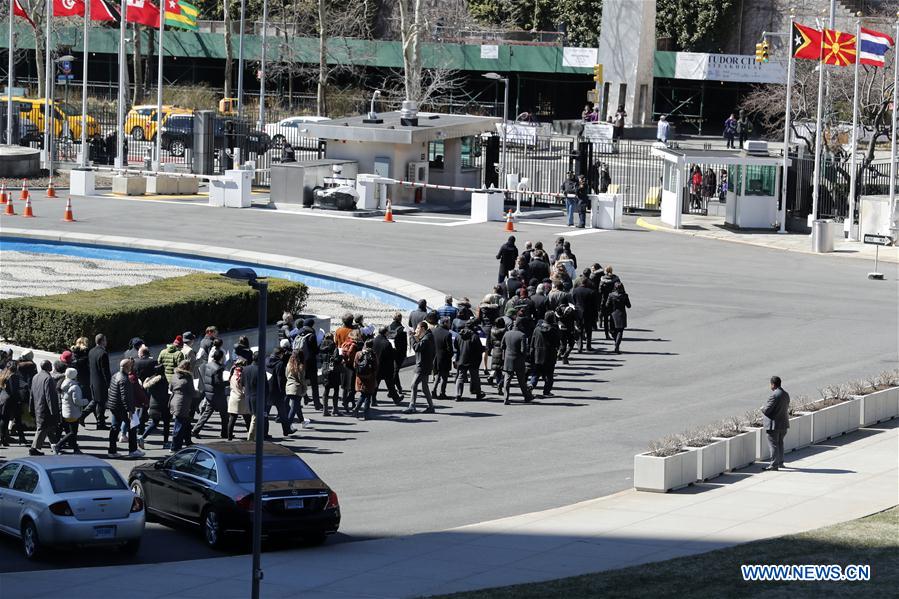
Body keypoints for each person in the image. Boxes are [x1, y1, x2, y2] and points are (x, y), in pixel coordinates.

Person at [107, 359, 143, 458]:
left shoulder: (115, 375)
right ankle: (133, 450)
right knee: (132, 427)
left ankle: (112, 451)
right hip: (123, 408)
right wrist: (129, 410)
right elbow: (125, 397)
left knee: (114, 428)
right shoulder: (125, 379)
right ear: (128, 367)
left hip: (114, 406)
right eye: (130, 366)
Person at [194, 349, 227, 439]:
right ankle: (224, 433)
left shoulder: (207, 365)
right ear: (221, 358)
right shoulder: (218, 369)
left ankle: (195, 430)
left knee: (206, 413)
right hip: (218, 395)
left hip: (209, 393)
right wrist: (228, 382)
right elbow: (218, 383)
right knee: (224, 414)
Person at [404, 322, 436, 414]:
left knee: (413, 385)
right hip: (425, 365)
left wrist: (412, 337)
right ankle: (431, 407)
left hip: (422, 366)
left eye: (417, 328)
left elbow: (417, 348)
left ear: (422, 328)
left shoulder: (427, 338)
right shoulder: (428, 336)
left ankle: (412, 406)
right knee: (425, 387)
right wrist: (416, 337)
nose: (416, 330)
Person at [30, 361, 60, 456]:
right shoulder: (48, 378)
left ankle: (56, 447)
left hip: (37, 406)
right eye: (50, 365)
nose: (52, 367)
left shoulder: (35, 377)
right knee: (42, 428)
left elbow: (32, 394)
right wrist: (54, 411)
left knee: (49, 429)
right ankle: (33, 448)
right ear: (47, 367)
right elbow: (49, 396)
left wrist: (31, 407)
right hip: (45, 408)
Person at [140, 363, 171, 449]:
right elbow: (165, 393)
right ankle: (165, 442)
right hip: (162, 405)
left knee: (154, 423)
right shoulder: (163, 380)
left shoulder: (151, 379)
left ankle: (142, 437)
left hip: (153, 404)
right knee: (166, 424)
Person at [501, 321, 534, 404]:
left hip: (508, 360)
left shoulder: (507, 334)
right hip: (519, 360)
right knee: (521, 381)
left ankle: (506, 398)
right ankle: (526, 396)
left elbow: (502, 346)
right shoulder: (522, 335)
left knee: (507, 380)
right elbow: (523, 350)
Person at [762, 376, 790, 471]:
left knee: (773, 445)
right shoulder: (786, 394)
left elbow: (767, 410)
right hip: (783, 424)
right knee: (780, 443)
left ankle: (774, 465)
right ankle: (780, 462)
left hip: (774, 426)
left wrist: (762, 409)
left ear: (773, 384)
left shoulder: (774, 395)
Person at [529, 312, 561, 397]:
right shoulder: (554, 329)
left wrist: (531, 353)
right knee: (549, 374)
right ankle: (546, 391)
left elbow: (532, 342)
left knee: (536, 372)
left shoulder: (537, 329)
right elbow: (557, 343)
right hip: (550, 354)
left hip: (538, 354)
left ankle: (531, 385)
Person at [266, 342, 294, 437]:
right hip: (277, 392)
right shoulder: (280, 364)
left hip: (267, 390)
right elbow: (280, 379)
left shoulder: (266, 361)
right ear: (280, 354)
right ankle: (286, 430)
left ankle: (264, 432)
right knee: (283, 412)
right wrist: (284, 392)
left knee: (265, 413)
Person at [57, 368, 87, 454]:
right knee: (72, 432)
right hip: (73, 412)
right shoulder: (75, 387)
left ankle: (76, 449)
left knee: (70, 431)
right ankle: (58, 445)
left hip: (65, 411)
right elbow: (77, 401)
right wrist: (86, 401)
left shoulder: (62, 383)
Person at [84, 333, 111, 430]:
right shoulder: (103, 353)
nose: (106, 342)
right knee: (101, 403)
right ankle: (100, 423)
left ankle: (83, 416)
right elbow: (105, 371)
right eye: (105, 340)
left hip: (93, 381)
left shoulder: (91, 351)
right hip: (101, 382)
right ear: (102, 341)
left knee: (96, 400)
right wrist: (109, 383)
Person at [169, 360, 196, 451]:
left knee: (186, 423)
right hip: (183, 402)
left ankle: (188, 441)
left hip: (174, 400)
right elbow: (192, 391)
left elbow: (171, 388)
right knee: (179, 426)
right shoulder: (188, 377)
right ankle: (175, 447)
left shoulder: (174, 376)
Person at [453, 324, 485, 401]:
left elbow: (456, 347)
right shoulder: (474, 336)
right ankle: (478, 393)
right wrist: (484, 348)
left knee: (460, 377)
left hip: (462, 359)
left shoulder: (459, 335)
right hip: (473, 360)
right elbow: (479, 348)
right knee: (475, 377)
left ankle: (458, 395)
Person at [296, 318, 322, 411]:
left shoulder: (298, 333)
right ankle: (317, 404)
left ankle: (298, 402)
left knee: (300, 381)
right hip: (310, 362)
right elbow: (315, 350)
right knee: (314, 384)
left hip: (300, 361)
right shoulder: (312, 335)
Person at [373, 326, 401, 405]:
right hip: (386, 367)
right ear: (385, 332)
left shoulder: (374, 341)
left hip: (376, 366)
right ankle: (396, 399)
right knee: (390, 384)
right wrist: (394, 350)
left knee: (376, 384)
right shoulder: (387, 343)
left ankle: (373, 400)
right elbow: (392, 355)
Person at [353, 340, 379, 420]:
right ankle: (365, 413)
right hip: (370, 377)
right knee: (368, 395)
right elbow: (376, 366)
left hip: (360, 377)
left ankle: (357, 408)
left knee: (363, 393)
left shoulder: (358, 353)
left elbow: (355, 365)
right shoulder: (373, 354)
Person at [226, 359, 251, 440]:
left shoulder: (232, 374)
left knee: (232, 419)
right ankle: (250, 435)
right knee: (247, 419)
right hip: (242, 399)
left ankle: (229, 437)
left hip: (233, 398)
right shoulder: (242, 376)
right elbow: (244, 389)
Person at [319, 334, 343, 416]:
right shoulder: (337, 348)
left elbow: (321, 360)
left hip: (325, 368)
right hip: (334, 370)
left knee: (326, 389)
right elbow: (339, 359)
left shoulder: (321, 348)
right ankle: (335, 409)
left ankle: (325, 410)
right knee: (336, 389)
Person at [572, 279, 599, 352]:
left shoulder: (575, 290)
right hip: (588, 313)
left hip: (578, 313)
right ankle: (588, 346)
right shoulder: (591, 292)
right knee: (588, 330)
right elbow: (595, 305)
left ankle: (580, 346)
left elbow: (573, 301)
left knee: (579, 330)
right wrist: (596, 316)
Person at [285, 350, 310, 428]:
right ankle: (288, 425)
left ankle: (302, 421)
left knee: (297, 406)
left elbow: (286, 375)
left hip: (288, 387)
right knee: (294, 408)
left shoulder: (289, 364)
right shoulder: (300, 366)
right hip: (296, 388)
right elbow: (301, 379)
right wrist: (305, 388)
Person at [605, 282, 632, 354]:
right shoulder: (625, 295)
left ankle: (616, 343)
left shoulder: (611, 295)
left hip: (613, 314)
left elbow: (607, 305)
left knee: (612, 330)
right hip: (621, 314)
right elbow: (629, 306)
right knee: (620, 331)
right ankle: (617, 344)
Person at [431, 318, 454, 399]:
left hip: (434, 357)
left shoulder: (433, 331)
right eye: (449, 323)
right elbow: (450, 349)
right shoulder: (448, 334)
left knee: (437, 375)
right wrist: (451, 357)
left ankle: (434, 391)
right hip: (444, 358)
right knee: (444, 377)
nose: (450, 325)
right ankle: (442, 393)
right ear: (445, 323)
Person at [340, 329, 362, 412]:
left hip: (345, 366)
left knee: (345, 387)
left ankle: (347, 402)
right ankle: (347, 401)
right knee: (353, 388)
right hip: (352, 368)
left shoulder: (345, 343)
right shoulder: (356, 345)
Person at [387, 313, 407, 397]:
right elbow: (404, 344)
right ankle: (392, 389)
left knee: (394, 370)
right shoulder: (402, 329)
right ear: (400, 319)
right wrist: (404, 354)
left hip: (389, 351)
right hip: (399, 353)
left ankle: (399, 388)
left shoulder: (388, 327)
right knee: (395, 371)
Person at [599, 266, 620, 339]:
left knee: (605, 318)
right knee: (612, 317)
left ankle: (606, 334)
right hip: (613, 300)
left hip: (605, 300)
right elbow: (620, 287)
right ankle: (612, 331)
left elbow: (600, 291)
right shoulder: (616, 279)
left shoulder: (602, 279)